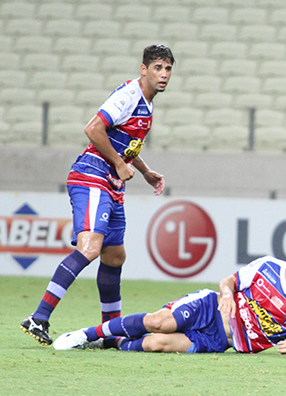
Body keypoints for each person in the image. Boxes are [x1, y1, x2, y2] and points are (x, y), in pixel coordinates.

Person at [21, 44, 175, 346]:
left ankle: (110, 330)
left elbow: (125, 143)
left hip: (112, 183)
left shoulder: (147, 102)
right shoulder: (129, 95)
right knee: (90, 247)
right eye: (157, 68)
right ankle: (39, 317)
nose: (164, 74)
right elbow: (93, 129)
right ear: (143, 69)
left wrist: (144, 170)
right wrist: (118, 163)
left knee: (115, 256)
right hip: (92, 176)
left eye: (168, 69)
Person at [52, 239, 286, 354]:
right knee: (158, 323)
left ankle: (110, 342)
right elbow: (229, 281)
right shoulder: (268, 266)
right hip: (209, 308)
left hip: (219, 341)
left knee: (155, 344)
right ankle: (85, 334)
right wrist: (227, 294)